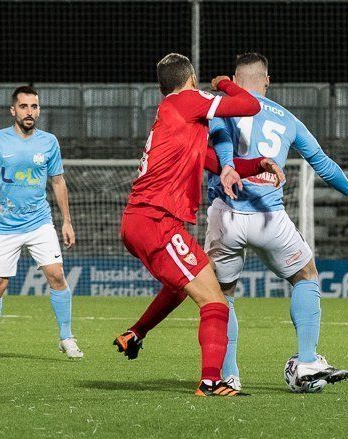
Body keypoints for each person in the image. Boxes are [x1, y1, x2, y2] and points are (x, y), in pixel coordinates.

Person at [114, 52, 348, 393]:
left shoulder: (181, 117)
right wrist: (223, 84)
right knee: (280, 282)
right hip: (246, 216)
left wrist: (250, 164)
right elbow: (257, 112)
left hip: (210, 215)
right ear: (266, 79)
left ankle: (203, 361)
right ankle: (252, 372)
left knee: (206, 287)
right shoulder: (197, 102)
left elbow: (217, 152)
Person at [118, 52, 277, 397]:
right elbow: (250, 105)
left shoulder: (172, 116)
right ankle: (211, 382)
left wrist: (257, 164)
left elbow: (209, 160)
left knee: (181, 287)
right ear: (190, 79)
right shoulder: (187, 101)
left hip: (142, 221)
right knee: (215, 303)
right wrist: (224, 83)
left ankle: (135, 333)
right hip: (157, 220)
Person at [0, 85, 82, 362]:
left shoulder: (49, 142)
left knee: (56, 276)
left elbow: (58, 181)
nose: (29, 112)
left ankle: (66, 338)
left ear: (39, 110)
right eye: (24, 106)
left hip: (40, 222)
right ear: (13, 110)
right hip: (5, 225)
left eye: (34, 106)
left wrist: (66, 221)